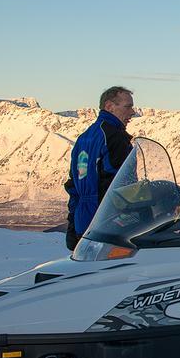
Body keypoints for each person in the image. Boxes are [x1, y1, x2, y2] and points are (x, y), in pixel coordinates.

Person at [65, 86, 135, 250]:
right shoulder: (114, 137)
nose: (132, 112)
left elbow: (73, 183)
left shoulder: (85, 137)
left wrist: (73, 221)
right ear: (110, 106)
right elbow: (122, 184)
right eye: (128, 106)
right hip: (106, 222)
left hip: (84, 220)